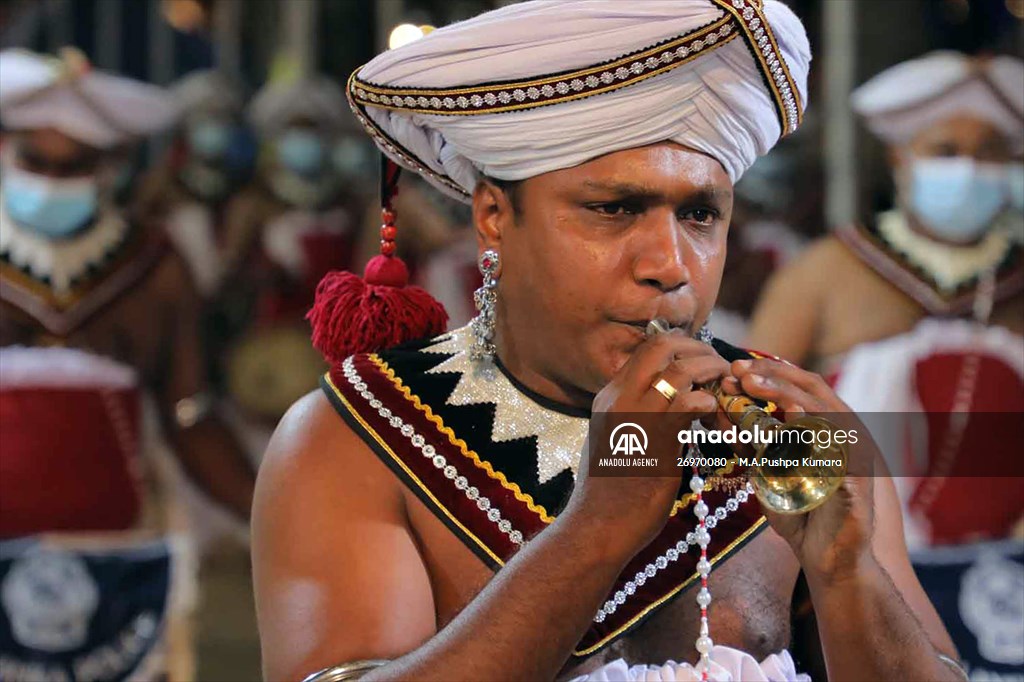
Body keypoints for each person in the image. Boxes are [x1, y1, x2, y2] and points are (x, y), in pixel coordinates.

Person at [253, 3, 963, 681]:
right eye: (614, 210)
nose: (671, 264)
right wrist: (598, 526)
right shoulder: (356, 434)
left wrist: (846, 572)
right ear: (496, 218)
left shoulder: (796, 427)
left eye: (700, 215)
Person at [134, 68, 253, 298]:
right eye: (206, 120)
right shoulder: (163, 182)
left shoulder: (244, 188)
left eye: (222, 120)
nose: (215, 128)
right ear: (187, 127)